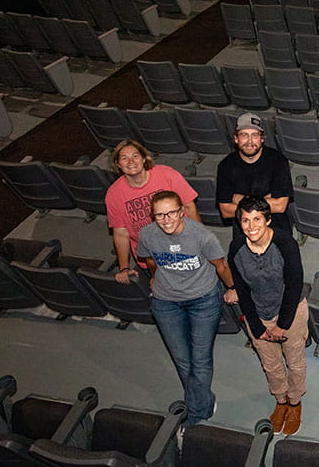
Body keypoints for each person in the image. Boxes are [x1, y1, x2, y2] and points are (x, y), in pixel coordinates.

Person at [138, 190, 233, 428]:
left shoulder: (202, 236)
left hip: (203, 300)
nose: (166, 219)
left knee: (200, 360)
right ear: (153, 217)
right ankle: (203, 400)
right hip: (165, 302)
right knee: (182, 360)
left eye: (171, 213)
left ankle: (195, 414)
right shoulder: (147, 235)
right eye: (160, 215)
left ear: (182, 212)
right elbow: (149, 259)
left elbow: (220, 266)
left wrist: (232, 287)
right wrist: (154, 277)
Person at [224, 196, 308, 436]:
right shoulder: (237, 248)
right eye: (245, 221)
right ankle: (280, 400)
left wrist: (282, 325)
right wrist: (257, 327)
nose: (251, 226)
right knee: (270, 364)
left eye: (257, 219)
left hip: (289, 312)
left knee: (295, 362)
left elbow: (293, 286)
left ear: (268, 220)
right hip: (259, 314)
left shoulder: (285, 244)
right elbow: (242, 289)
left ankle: (294, 402)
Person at [104, 140, 201, 283]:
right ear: (118, 164)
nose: (131, 161)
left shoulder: (166, 174)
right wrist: (124, 267)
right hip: (151, 259)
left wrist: (200, 241)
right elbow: (120, 233)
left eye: (135, 156)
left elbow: (189, 207)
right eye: (124, 158)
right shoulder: (113, 194)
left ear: (144, 158)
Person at [216, 113, 294, 241]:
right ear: (236, 138)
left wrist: (242, 200)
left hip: (276, 231)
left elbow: (280, 206)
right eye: (244, 135)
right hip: (243, 234)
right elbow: (225, 211)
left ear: (262, 138)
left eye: (255, 135)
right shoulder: (226, 166)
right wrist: (266, 200)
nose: (250, 141)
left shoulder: (277, 161)